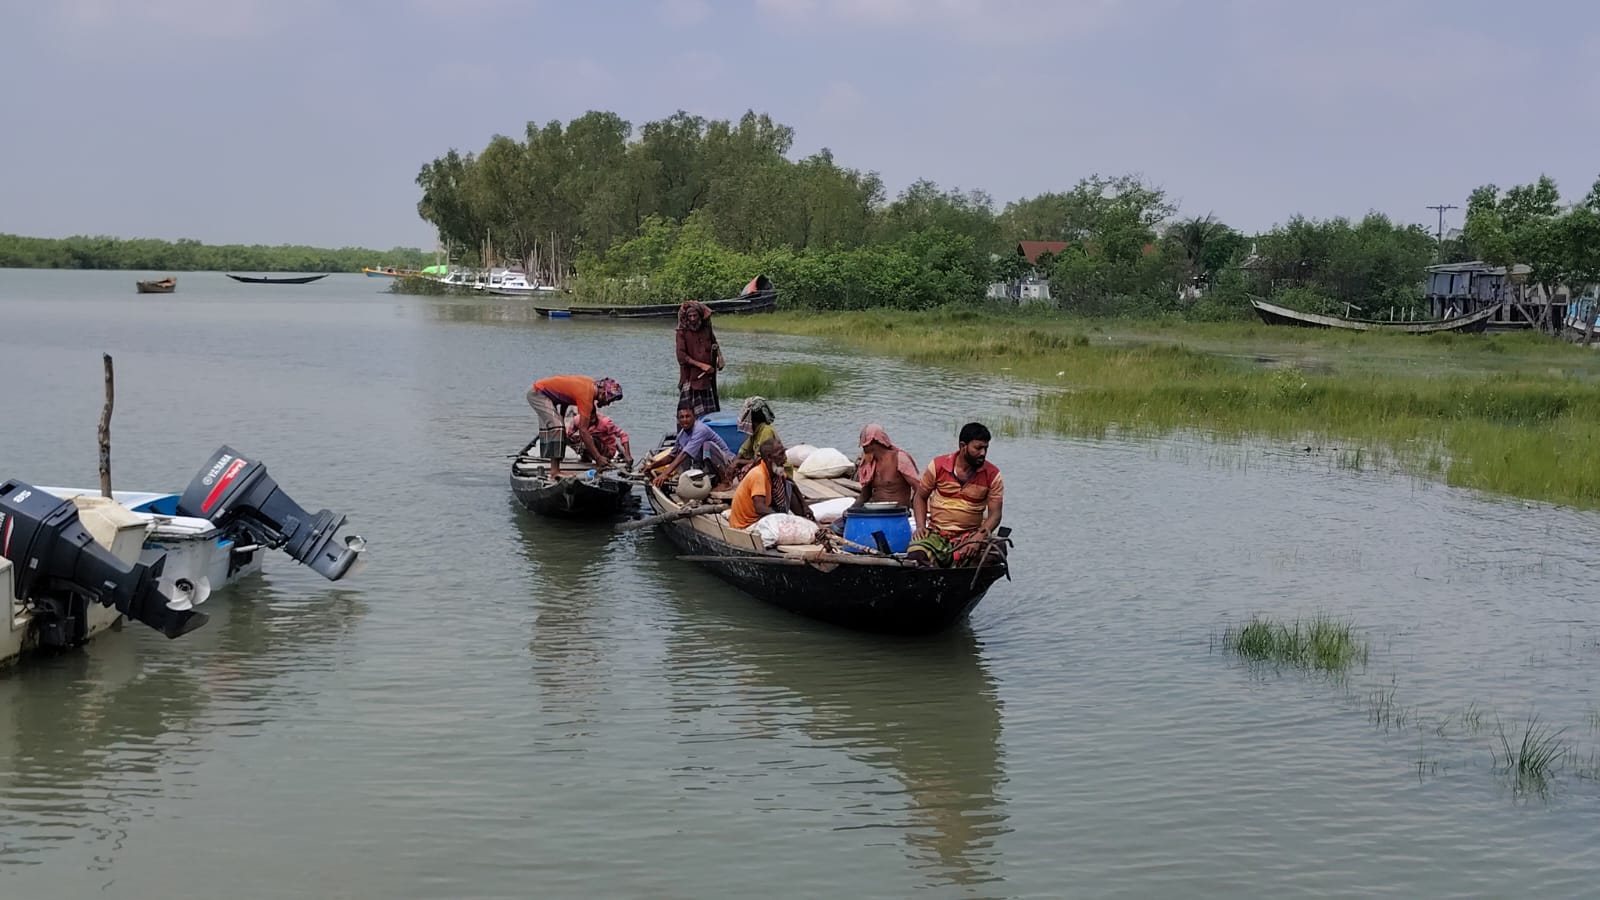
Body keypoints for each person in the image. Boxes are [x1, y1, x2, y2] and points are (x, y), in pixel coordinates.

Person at [909, 422, 1004, 568]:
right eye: (978, 448)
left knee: (996, 552)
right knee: (916, 555)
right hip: (937, 534)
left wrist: (979, 536)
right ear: (962, 446)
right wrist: (921, 526)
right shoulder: (938, 466)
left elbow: (995, 515)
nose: (983, 453)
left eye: (986, 448)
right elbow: (920, 497)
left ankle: (964, 573)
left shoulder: (992, 474)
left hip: (970, 535)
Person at [829, 423, 921, 537]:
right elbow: (865, 494)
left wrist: (919, 522)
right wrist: (850, 511)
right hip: (874, 512)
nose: (863, 448)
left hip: (895, 514)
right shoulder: (869, 462)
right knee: (836, 527)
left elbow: (919, 489)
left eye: (864, 445)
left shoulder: (899, 458)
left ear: (873, 442)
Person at [525, 375, 623, 477]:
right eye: (609, 401)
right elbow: (583, 431)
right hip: (538, 393)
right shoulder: (586, 396)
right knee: (557, 427)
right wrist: (598, 458)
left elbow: (565, 398)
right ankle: (555, 472)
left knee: (559, 426)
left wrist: (561, 417)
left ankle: (556, 462)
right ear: (603, 394)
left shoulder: (590, 385)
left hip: (542, 393)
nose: (608, 404)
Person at [729, 437, 812, 530]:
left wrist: (805, 506)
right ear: (769, 457)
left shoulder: (774, 470)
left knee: (787, 485)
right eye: (780, 454)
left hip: (761, 517)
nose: (785, 458)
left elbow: (791, 483)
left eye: (784, 453)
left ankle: (804, 519)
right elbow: (759, 507)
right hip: (748, 524)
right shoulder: (759, 475)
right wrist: (783, 518)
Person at [646, 403, 736, 488]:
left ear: (694, 417)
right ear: (678, 419)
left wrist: (665, 473)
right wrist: (652, 466)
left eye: (688, 416)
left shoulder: (700, 429)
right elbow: (672, 456)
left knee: (706, 445)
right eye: (682, 417)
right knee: (680, 454)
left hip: (726, 464)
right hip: (705, 465)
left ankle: (725, 482)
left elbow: (685, 454)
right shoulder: (681, 434)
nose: (685, 420)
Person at [676, 300, 723, 416]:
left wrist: (720, 357)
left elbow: (714, 343)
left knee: (709, 415)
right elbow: (681, 357)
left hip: (707, 379)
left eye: (695, 315)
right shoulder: (682, 332)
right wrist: (702, 365)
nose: (692, 319)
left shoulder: (706, 329)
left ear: (700, 316)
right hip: (690, 378)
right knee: (688, 415)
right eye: (690, 316)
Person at [733, 395, 779, 477]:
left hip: (776, 470)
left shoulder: (766, 431)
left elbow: (761, 460)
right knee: (736, 463)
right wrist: (735, 462)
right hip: (763, 465)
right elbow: (743, 449)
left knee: (747, 470)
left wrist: (739, 462)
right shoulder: (756, 432)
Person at [567, 411, 632, 468]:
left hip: (605, 449)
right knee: (569, 438)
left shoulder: (605, 422)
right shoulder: (577, 420)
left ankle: (599, 458)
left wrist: (627, 454)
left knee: (590, 439)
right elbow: (569, 434)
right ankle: (585, 456)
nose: (591, 421)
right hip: (588, 444)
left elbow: (623, 435)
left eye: (592, 419)